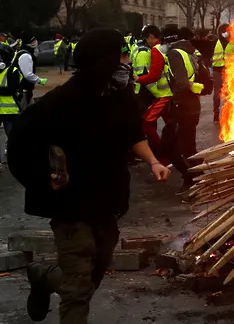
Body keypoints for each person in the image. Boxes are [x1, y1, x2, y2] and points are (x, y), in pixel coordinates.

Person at [7, 28, 170, 324]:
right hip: (71, 206)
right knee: (78, 290)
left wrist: (153, 162)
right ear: (102, 61)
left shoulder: (120, 97)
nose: (127, 63)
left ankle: (44, 277)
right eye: (121, 56)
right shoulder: (61, 101)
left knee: (93, 273)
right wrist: (44, 178)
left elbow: (133, 134)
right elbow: (19, 143)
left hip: (107, 202)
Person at [162, 27, 210, 192]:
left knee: (172, 144)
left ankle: (193, 179)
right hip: (191, 106)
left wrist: (175, 102)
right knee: (185, 145)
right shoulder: (189, 52)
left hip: (183, 107)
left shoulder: (175, 54)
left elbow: (182, 83)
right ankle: (196, 176)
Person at [136, 25, 174, 163]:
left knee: (147, 124)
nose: (147, 42)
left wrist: (138, 79)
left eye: (147, 38)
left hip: (164, 94)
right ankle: (173, 152)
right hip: (170, 93)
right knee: (171, 125)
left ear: (151, 36)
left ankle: (162, 156)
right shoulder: (168, 47)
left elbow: (154, 75)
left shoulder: (156, 50)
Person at [0, 43, 20, 164]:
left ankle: (16, 159)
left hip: (10, 111)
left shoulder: (13, 70)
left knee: (12, 137)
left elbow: (12, 89)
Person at [14, 36, 47, 110]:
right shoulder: (25, 55)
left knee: (30, 108)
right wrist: (39, 80)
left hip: (25, 88)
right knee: (23, 110)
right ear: (28, 43)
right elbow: (27, 74)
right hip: (23, 89)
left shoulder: (25, 52)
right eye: (33, 41)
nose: (36, 42)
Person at [212, 23, 234, 123]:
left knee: (229, 93)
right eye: (224, 31)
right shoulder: (214, 43)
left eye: (227, 31)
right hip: (217, 70)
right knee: (217, 93)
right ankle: (216, 114)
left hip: (229, 70)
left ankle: (227, 114)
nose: (226, 33)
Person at [130, 31, 154, 116]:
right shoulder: (144, 51)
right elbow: (143, 72)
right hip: (142, 88)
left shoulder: (135, 46)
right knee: (144, 114)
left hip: (136, 87)